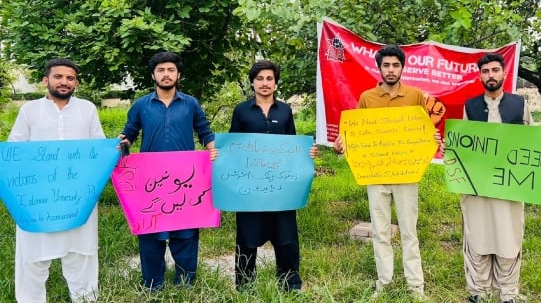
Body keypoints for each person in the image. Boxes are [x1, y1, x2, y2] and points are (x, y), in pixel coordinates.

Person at [334, 44, 436, 300]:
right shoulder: (367, 98)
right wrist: (343, 144)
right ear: (379, 68)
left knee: (409, 231)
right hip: (375, 175)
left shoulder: (415, 96)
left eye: (395, 65)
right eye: (386, 65)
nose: (391, 70)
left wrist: (432, 137)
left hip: (406, 175)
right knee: (380, 231)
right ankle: (384, 282)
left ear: (402, 68)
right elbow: (356, 135)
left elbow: (424, 133)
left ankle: (416, 287)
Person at [119, 51, 217, 291]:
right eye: (161, 70)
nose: (166, 74)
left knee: (186, 231)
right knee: (151, 230)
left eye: (170, 70)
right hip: (150, 181)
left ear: (178, 74)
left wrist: (214, 151)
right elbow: (129, 135)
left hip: (186, 179)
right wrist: (119, 147)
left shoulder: (191, 103)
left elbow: (205, 132)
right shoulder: (141, 105)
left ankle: (185, 282)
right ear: (153, 74)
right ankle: (153, 283)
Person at [8, 59, 104, 303]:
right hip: (38, 197)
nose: (64, 82)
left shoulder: (87, 109)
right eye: (58, 77)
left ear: (76, 83)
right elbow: (14, 150)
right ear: (45, 81)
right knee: (33, 251)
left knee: (81, 251)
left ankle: (85, 298)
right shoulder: (29, 110)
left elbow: (99, 147)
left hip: (78, 196)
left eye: (70, 78)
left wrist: (118, 147)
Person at [228, 60, 317, 292]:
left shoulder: (285, 111)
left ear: (276, 83)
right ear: (252, 83)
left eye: (269, 79)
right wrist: (220, 153)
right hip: (250, 187)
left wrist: (307, 152)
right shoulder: (241, 111)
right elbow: (233, 146)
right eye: (260, 79)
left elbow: (293, 146)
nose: (265, 83)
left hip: (281, 188)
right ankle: (245, 286)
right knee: (247, 236)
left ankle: (290, 285)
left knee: (286, 237)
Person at [461, 53, 533, 303]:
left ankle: (508, 293)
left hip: (511, 186)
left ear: (504, 73)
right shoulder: (470, 106)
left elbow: (533, 142)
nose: (490, 75)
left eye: (495, 70)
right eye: (485, 71)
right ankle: (478, 291)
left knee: (508, 236)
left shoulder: (519, 104)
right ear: (479, 75)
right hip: (478, 186)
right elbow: (464, 146)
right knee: (477, 235)